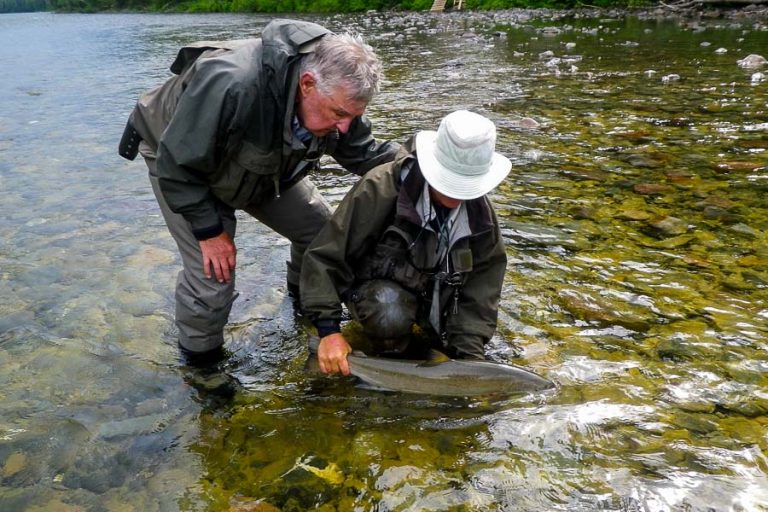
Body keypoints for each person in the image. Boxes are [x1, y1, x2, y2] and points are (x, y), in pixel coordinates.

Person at [118, 19, 399, 360]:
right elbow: (177, 165)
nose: (344, 127)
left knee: (322, 235)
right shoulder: (231, 83)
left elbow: (366, 154)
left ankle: (305, 305)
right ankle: (202, 371)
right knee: (213, 282)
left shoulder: (337, 95)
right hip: (183, 164)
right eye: (339, 114)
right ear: (307, 85)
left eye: (352, 117)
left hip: (261, 160)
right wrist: (209, 231)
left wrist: (420, 165)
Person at [300, 110, 512, 375]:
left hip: (435, 300)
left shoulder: (481, 219)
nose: (459, 195)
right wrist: (328, 330)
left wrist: (470, 363)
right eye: (452, 183)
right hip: (379, 296)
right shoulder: (379, 189)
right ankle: (386, 355)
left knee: (462, 348)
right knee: (389, 311)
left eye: (467, 185)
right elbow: (324, 258)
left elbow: (480, 294)